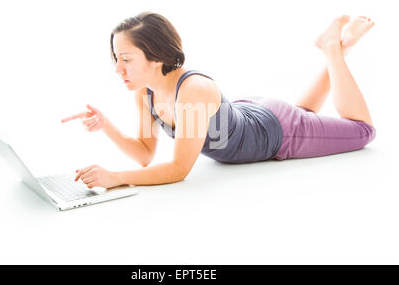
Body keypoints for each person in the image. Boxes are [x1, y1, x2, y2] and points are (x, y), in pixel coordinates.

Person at [61, 12, 376, 189]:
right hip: (255, 114)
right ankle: (338, 46)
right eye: (117, 58)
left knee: (362, 132)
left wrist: (116, 178)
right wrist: (107, 126)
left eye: (126, 59)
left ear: (156, 56)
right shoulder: (146, 93)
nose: (118, 69)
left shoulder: (193, 90)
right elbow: (145, 155)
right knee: (306, 116)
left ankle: (334, 49)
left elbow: (178, 169)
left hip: (277, 133)